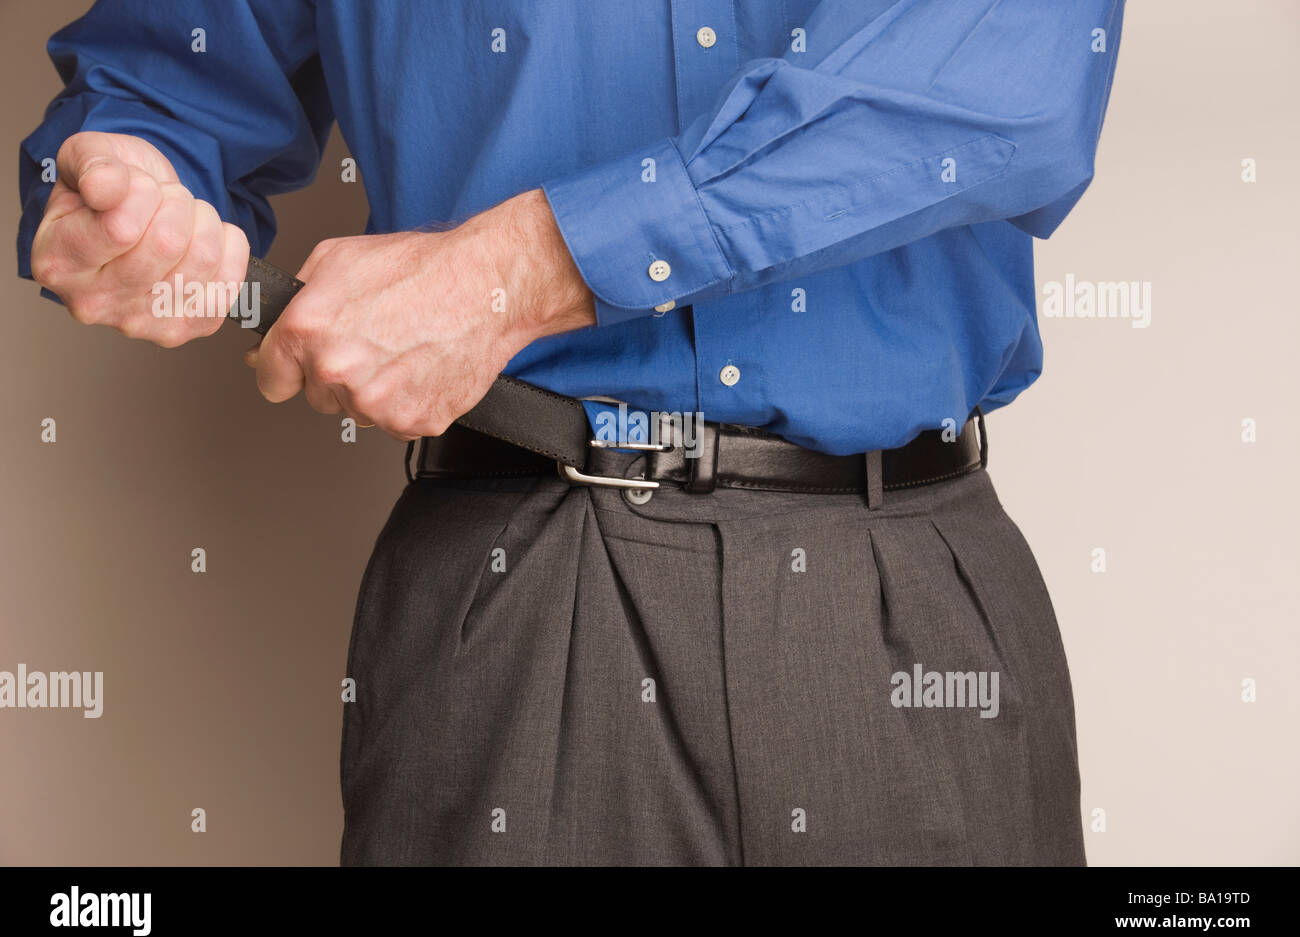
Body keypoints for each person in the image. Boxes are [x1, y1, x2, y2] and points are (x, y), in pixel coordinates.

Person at [19, 0, 1125, 865]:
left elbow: (1012, 75)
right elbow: (170, 76)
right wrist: (129, 189)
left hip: (900, 604)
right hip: (518, 602)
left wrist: (524, 269)